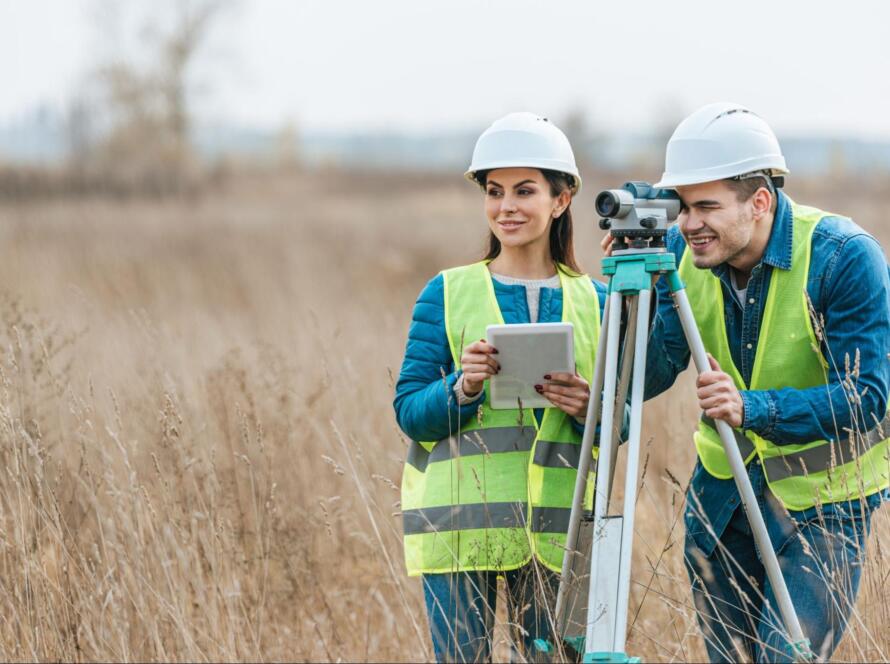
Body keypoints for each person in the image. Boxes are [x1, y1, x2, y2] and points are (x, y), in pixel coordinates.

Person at [639, 102, 890, 662]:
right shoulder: (681, 252)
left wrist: (754, 410)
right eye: (681, 206)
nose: (688, 223)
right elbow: (657, 366)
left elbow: (869, 396)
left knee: (788, 657)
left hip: (826, 507)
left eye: (706, 206)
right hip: (723, 496)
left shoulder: (844, 258)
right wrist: (634, 287)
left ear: (760, 201)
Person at [394, 112, 607, 662]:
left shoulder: (600, 299)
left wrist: (590, 407)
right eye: (494, 192)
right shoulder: (446, 292)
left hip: (557, 528)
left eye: (524, 190)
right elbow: (409, 412)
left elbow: (622, 419)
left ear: (561, 200)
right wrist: (462, 388)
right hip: (462, 527)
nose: (506, 206)